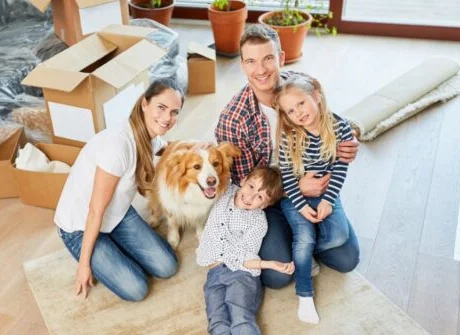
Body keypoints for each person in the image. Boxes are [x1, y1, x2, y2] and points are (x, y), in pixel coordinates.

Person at [214, 24, 360, 290]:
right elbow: (244, 186)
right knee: (277, 277)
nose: (261, 70)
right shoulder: (233, 120)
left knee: (347, 259)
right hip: (270, 199)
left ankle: (305, 240)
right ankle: (300, 240)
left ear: (281, 58)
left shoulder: (301, 86)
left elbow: (331, 120)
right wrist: (292, 190)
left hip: (314, 184)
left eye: (268, 58)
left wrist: (351, 137)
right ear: (243, 66)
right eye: (251, 61)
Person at [54, 78, 184, 301]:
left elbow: (168, 147)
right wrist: (84, 265)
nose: (167, 118)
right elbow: (95, 211)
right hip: (81, 225)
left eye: (174, 112)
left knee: (167, 266)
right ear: (145, 103)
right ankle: (99, 250)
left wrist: (199, 148)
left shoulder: (150, 137)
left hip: (116, 214)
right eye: (161, 108)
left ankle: (113, 246)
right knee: (137, 289)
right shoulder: (118, 146)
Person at [274, 74, 355, 324]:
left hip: (326, 193)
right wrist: (300, 204)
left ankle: (303, 254)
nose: (298, 113)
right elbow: (287, 176)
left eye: (301, 103)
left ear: (316, 96)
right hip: (295, 197)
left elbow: (341, 167)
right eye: (290, 110)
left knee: (339, 236)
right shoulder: (290, 136)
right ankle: (305, 294)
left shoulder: (340, 126)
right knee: (305, 235)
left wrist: (328, 200)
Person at [197, 167, 293, 335]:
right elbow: (209, 172)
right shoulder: (226, 191)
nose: (251, 197)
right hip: (214, 275)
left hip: (241, 274)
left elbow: (246, 255)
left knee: (240, 318)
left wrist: (269, 264)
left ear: (265, 205)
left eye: (260, 197)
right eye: (251, 187)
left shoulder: (258, 222)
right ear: (243, 180)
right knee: (217, 322)